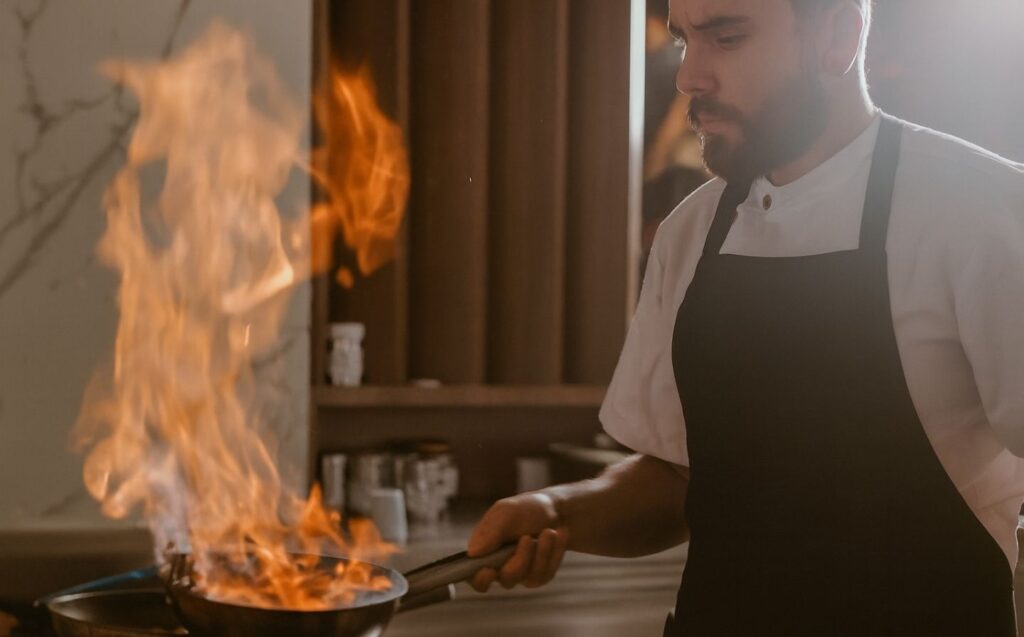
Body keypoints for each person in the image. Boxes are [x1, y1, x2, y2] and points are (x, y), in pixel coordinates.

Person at [467, 0, 1024, 634]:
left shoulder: (984, 215)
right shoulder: (691, 232)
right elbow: (681, 479)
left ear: (838, 34)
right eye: (683, 42)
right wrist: (556, 510)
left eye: (726, 38)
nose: (688, 77)